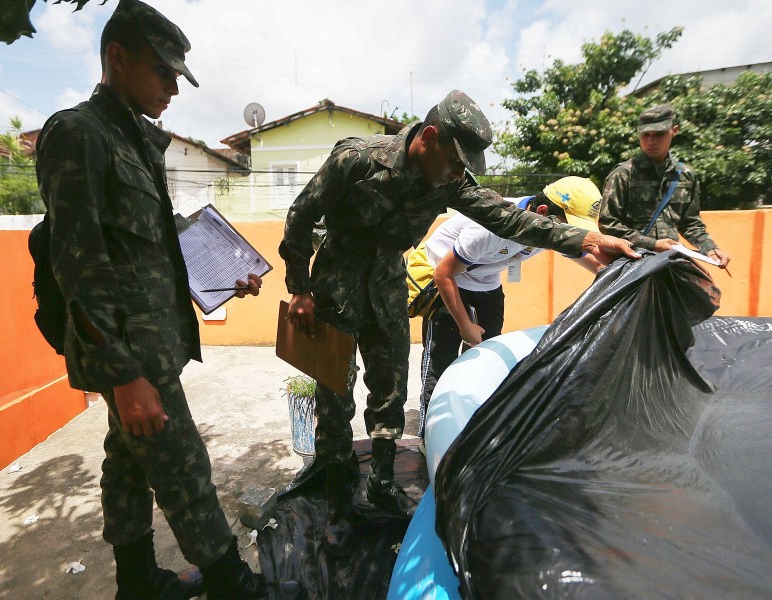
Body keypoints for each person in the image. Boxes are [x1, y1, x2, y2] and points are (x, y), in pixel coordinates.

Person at [278, 89, 640, 557]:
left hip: (388, 282)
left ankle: (383, 485)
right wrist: (300, 288)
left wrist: (586, 238)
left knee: (390, 388)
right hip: (336, 283)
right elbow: (300, 215)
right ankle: (337, 504)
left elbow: (511, 221)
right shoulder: (357, 159)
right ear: (428, 138)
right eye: (454, 160)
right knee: (334, 395)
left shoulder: (448, 181)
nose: (458, 172)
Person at [35, 1, 266, 598]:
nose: (172, 87)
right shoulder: (78, 133)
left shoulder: (134, 140)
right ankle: (232, 582)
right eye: (163, 71)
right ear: (116, 57)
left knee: (127, 465)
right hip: (131, 355)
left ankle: (137, 581)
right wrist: (123, 375)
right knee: (185, 468)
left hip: (151, 344)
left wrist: (221, 277)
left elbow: (146, 252)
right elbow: (77, 262)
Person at [413, 176, 603, 442]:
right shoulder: (491, 225)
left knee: (487, 358)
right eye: (566, 228)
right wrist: (465, 325)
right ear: (542, 212)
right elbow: (443, 274)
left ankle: (474, 429)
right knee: (439, 361)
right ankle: (428, 438)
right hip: (448, 282)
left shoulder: (546, 227)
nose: (567, 236)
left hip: (486, 283)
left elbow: (595, 261)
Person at [599, 103, 731, 269]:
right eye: (646, 135)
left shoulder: (686, 175)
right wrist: (652, 244)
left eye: (659, 134)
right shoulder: (623, 174)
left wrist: (710, 248)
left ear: (674, 130)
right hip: (633, 266)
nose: (651, 141)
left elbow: (690, 223)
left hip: (669, 265)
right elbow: (608, 224)